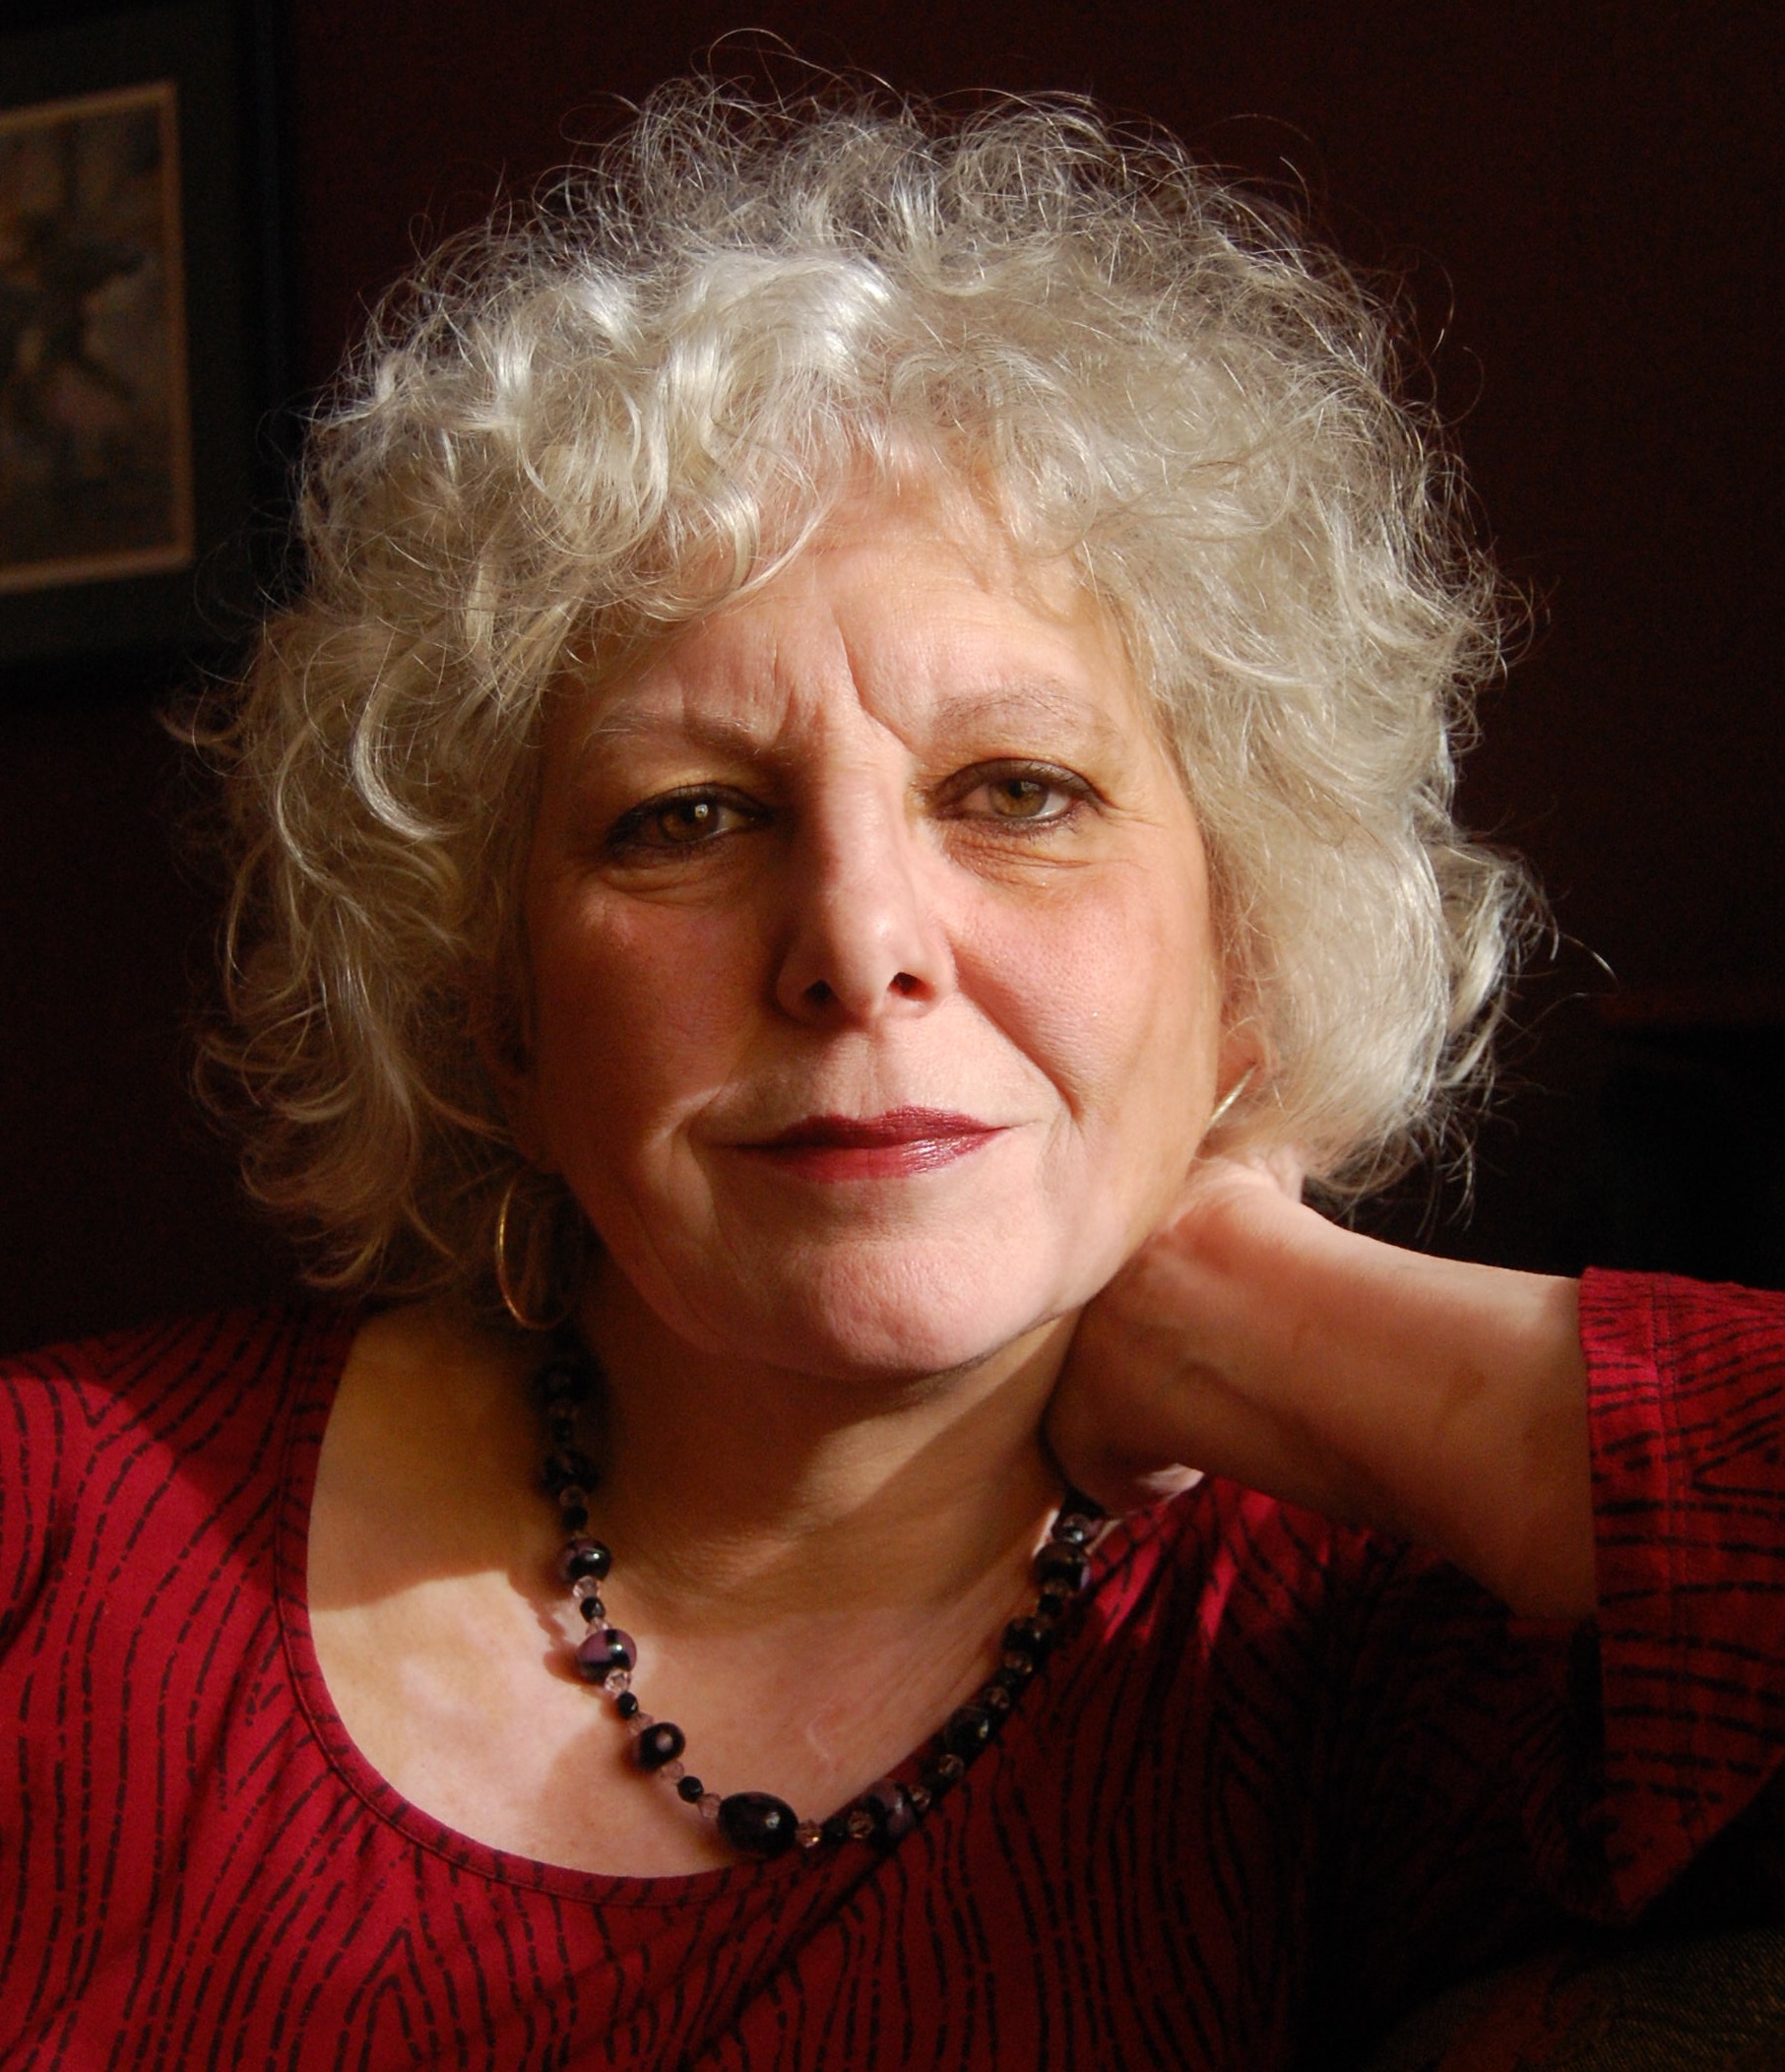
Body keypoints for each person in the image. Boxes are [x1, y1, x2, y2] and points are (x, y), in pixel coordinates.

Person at [4, 81, 1781, 2072]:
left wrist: (1322, 1337)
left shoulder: (1370, 1657)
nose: (857, 942)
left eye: (1017, 791)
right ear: (498, 1006)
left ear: (1245, 958)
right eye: (687, 816)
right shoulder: (54, 1536)